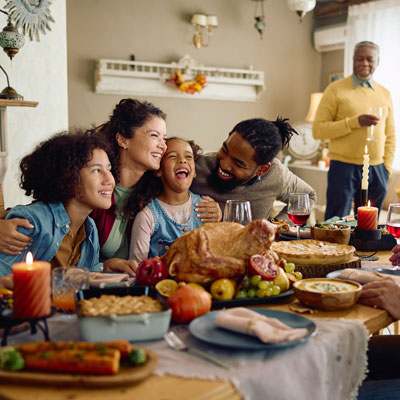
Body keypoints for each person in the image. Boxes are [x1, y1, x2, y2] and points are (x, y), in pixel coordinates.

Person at [0, 99, 220, 272]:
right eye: (155, 136)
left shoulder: (157, 188)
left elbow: (186, 194)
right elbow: (40, 216)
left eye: (164, 138)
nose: (163, 146)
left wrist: (216, 212)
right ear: (123, 139)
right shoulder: (90, 190)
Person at [0, 130, 116, 283]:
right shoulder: (31, 221)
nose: (109, 179)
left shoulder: (90, 228)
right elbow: (3, 280)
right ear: (69, 176)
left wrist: (106, 268)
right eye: (96, 170)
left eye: (109, 169)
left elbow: (89, 275)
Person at [313, 41, 396, 220]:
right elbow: (318, 130)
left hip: (377, 169)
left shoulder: (385, 93)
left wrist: (386, 168)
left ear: (377, 62)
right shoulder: (335, 90)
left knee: (368, 228)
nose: (365, 63)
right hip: (343, 167)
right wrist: (354, 122)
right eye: (360, 59)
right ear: (353, 60)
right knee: (336, 223)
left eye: (369, 59)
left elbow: (391, 135)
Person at [190, 117, 317, 220]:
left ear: (262, 170)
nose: (224, 164)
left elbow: (309, 196)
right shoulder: (196, 166)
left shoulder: (276, 174)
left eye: (238, 163)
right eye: (224, 149)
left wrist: (276, 226)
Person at [129, 137, 219, 263]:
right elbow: (136, 268)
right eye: (172, 156)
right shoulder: (147, 217)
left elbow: (218, 254)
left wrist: (219, 219)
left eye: (188, 157)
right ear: (159, 170)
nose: (182, 160)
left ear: (194, 172)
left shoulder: (207, 208)